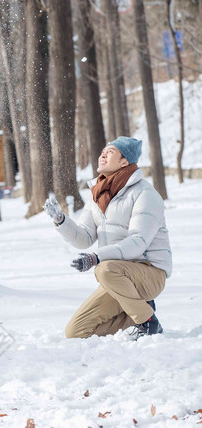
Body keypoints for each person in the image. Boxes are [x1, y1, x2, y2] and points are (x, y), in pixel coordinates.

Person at [43, 136, 172, 339]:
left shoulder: (145, 194)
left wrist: (96, 257)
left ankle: (148, 322)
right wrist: (61, 220)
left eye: (110, 151)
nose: (103, 154)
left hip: (149, 274)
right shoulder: (98, 195)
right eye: (103, 150)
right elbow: (84, 238)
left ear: (124, 162)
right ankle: (139, 309)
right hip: (117, 278)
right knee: (75, 332)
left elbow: (138, 241)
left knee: (104, 268)